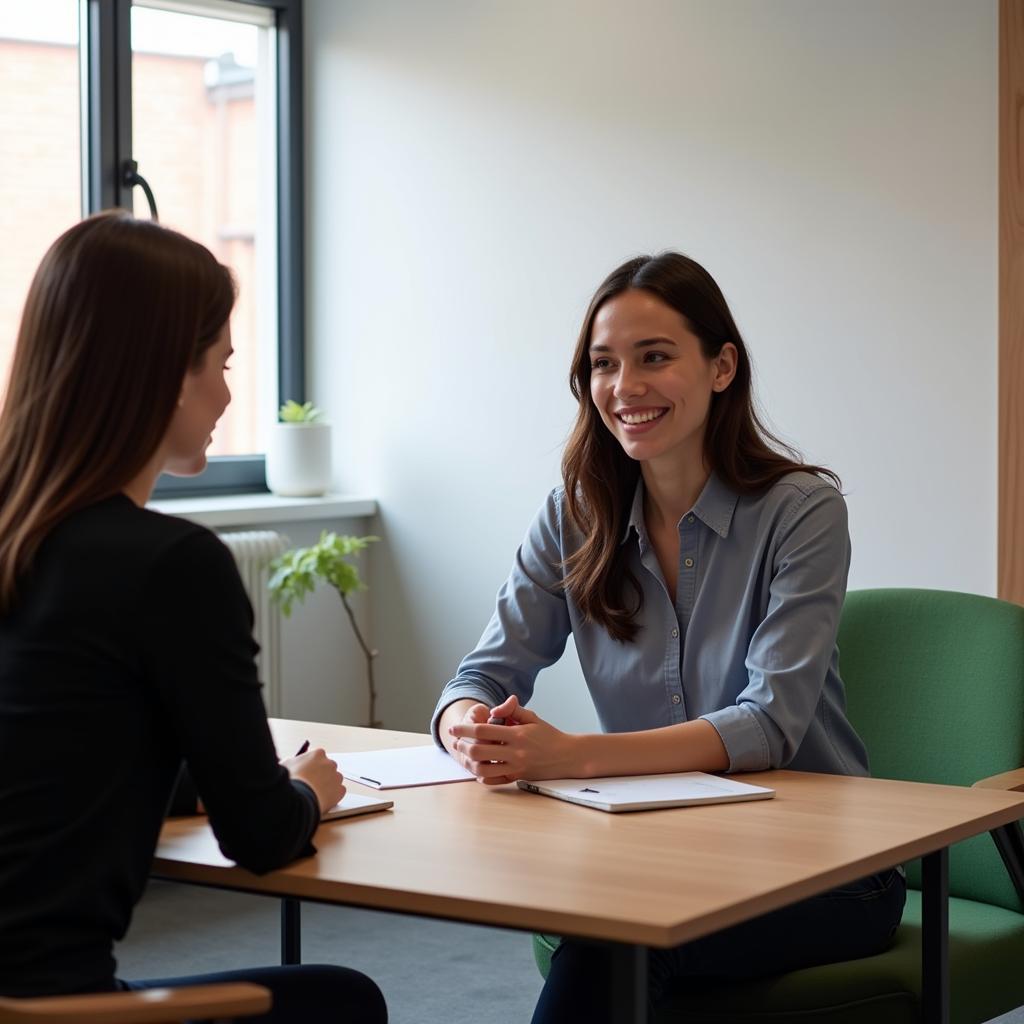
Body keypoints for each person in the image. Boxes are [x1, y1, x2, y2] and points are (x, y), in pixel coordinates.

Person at [431, 252, 905, 1021]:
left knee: (616, 943)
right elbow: (480, 674)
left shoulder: (802, 511)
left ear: (722, 368)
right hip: (658, 852)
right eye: (603, 365)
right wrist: (472, 731)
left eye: (655, 358)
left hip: (827, 870)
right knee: (616, 936)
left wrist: (573, 755)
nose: (625, 388)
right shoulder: (574, 514)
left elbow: (770, 723)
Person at [0, 211, 386, 1023]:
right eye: (221, 362)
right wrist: (308, 791)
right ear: (168, 373)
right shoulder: (171, 564)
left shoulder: (20, 538)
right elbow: (263, 835)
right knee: (342, 1003)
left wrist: (185, 780)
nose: (228, 391)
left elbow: (57, 741)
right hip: (56, 1010)